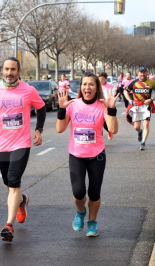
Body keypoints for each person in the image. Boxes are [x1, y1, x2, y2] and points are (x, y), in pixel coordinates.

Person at [0, 57, 46, 242]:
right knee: (9, 184)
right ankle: (22, 201)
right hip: (2, 144)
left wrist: (39, 129)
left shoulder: (28, 90)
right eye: (7, 69)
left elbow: (41, 108)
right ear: (2, 71)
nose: (9, 73)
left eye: (13, 69)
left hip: (21, 143)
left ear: (19, 71)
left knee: (14, 180)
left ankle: (8, 225)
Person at [56, 72, 118, 237]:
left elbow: (113, 129)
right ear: (80, 87)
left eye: (91, 84)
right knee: (78, 192)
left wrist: (111, 109)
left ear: (96, 87)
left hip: (97, 155)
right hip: (76, 155)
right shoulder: (73, 104)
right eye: (84, 84)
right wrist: (62, 110)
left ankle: (92, 223)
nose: (87, 87)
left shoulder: (101, 105)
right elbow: (59, 129)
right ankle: (80, 211)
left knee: (94, 193)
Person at [124, 67, 155, 150]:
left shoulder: (152, 83)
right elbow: (126, 91)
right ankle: (140, 132)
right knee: (136, 127)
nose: (142, 74)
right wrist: (130, 101)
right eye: (141, 73)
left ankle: (143, 142)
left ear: (147, 73)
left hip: (146, 106)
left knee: (146, 124)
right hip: (136, 106)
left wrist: (151, 99)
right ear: (138, 74)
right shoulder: (134, 83)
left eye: (144, 73)